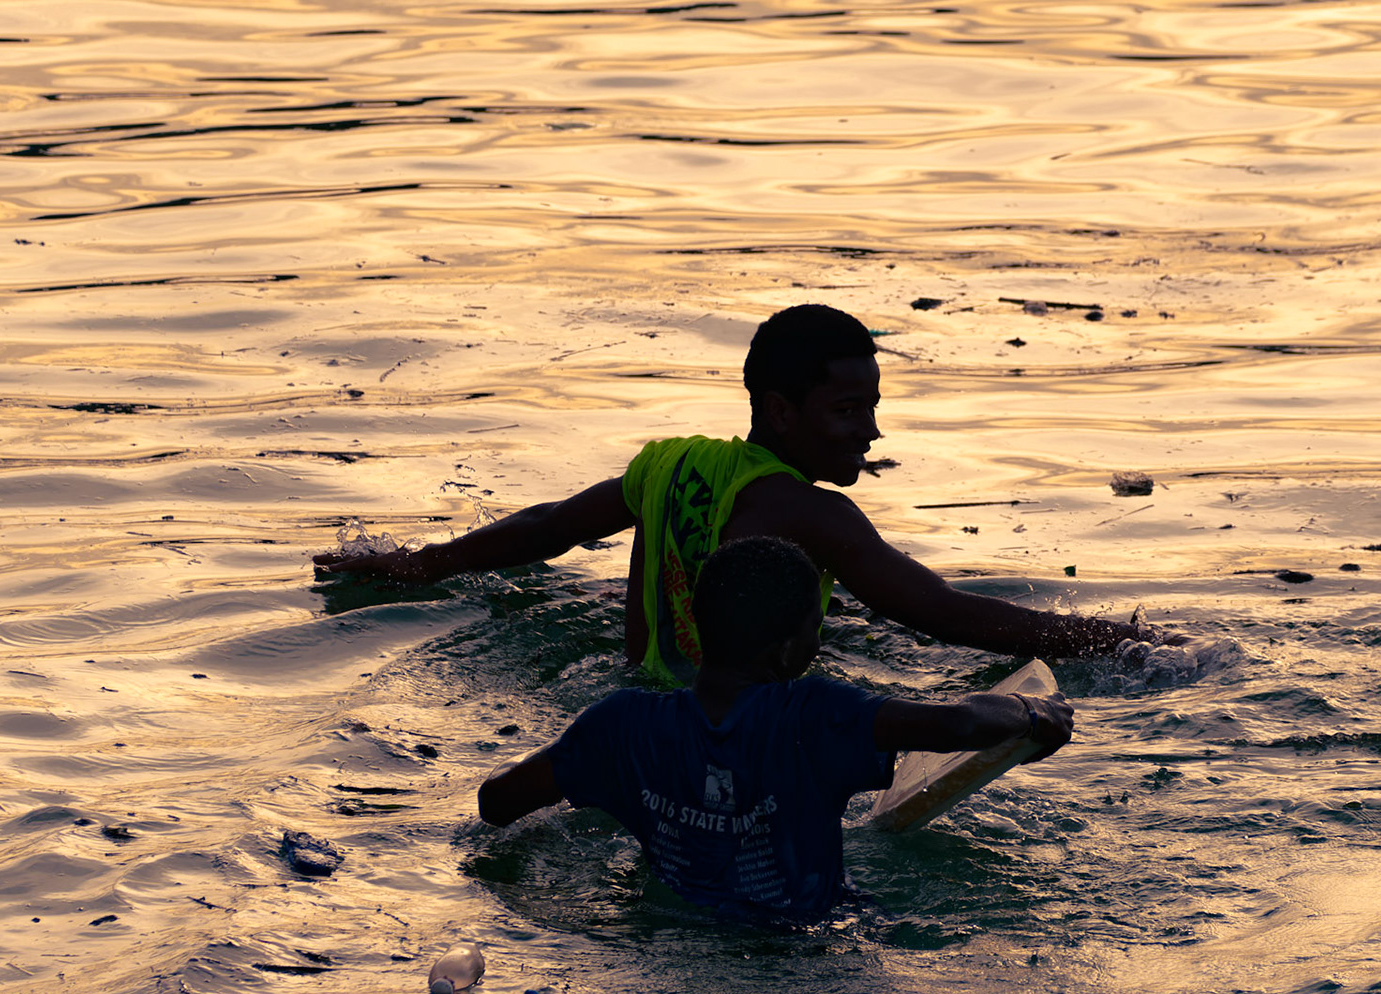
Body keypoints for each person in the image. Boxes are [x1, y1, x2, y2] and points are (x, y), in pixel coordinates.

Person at [315, 303, 1173, 684]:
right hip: (761, 730)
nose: (869, 434)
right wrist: (1120, 643)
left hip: (646, 708)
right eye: (846, 411)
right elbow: (943, 616)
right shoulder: (814, 516)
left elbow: (550, 530)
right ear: (778, 408)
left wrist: (421, 565)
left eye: (873, 408)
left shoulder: (669, 466)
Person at [476, 537, 1073, 923]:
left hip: (675, 945)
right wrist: (1032, 713)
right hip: (809, 946)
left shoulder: (622, 723)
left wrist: (575, 754)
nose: (819, 641)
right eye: (816, 628)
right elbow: (960, 722)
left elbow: (497, 803)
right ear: (789, 650)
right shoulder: (810, 714)